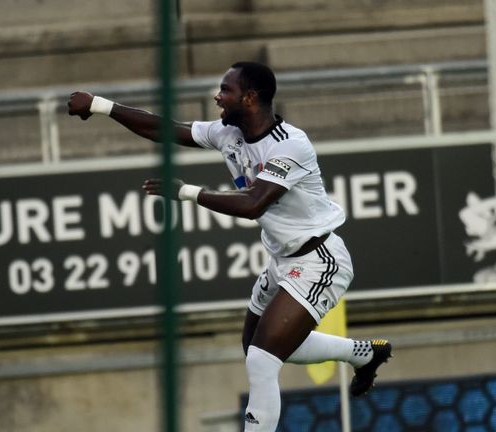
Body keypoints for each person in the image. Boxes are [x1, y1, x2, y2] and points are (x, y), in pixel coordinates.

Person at [67, 61, 392, 431]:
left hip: (318, 259)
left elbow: (254, 203)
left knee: (261, 360)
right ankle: (363, 354)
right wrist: (100, 105)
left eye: (226, 90)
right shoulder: (228, 133)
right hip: (281, 260)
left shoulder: (290, 145)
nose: (217, 96)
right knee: (260, 347)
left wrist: (188, 193)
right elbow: (167, 129)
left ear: (250, 98)